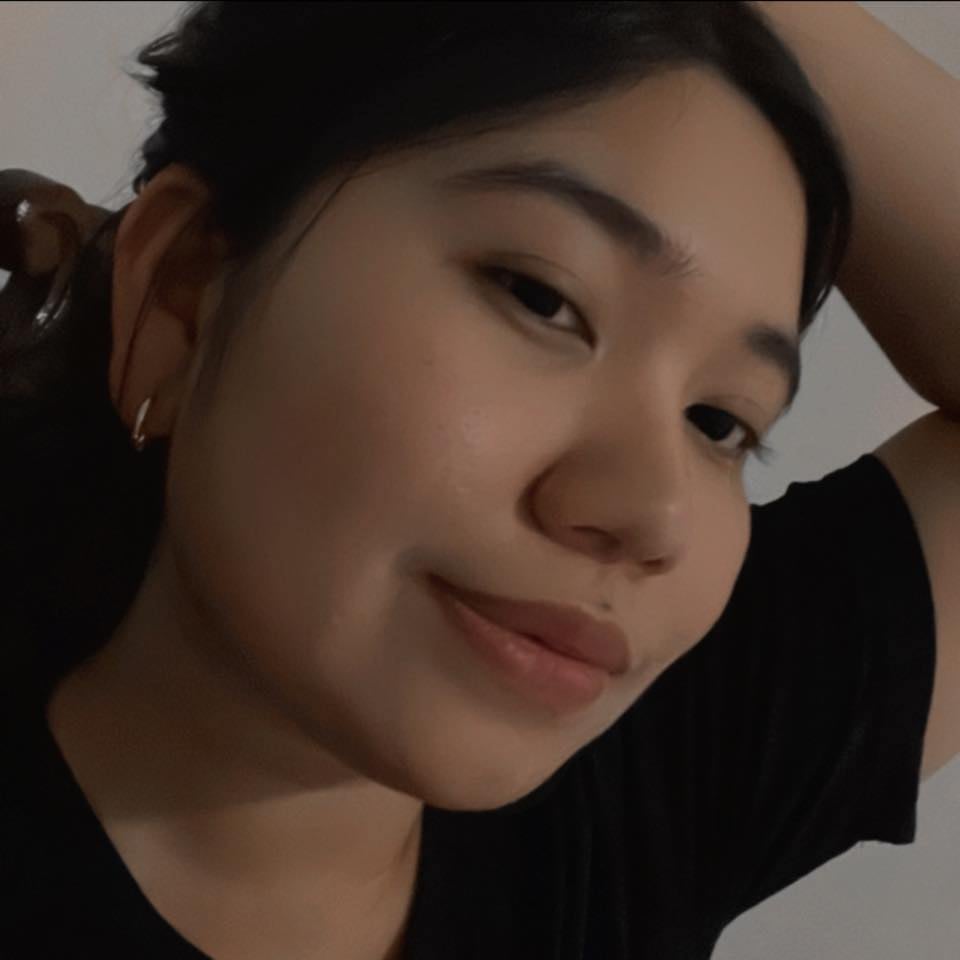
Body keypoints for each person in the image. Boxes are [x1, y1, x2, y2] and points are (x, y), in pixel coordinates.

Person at [0, 3, 940, 959]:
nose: (651, 513)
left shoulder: (655, 785)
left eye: (721, 422)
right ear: (185, 288)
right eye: (543, 299)